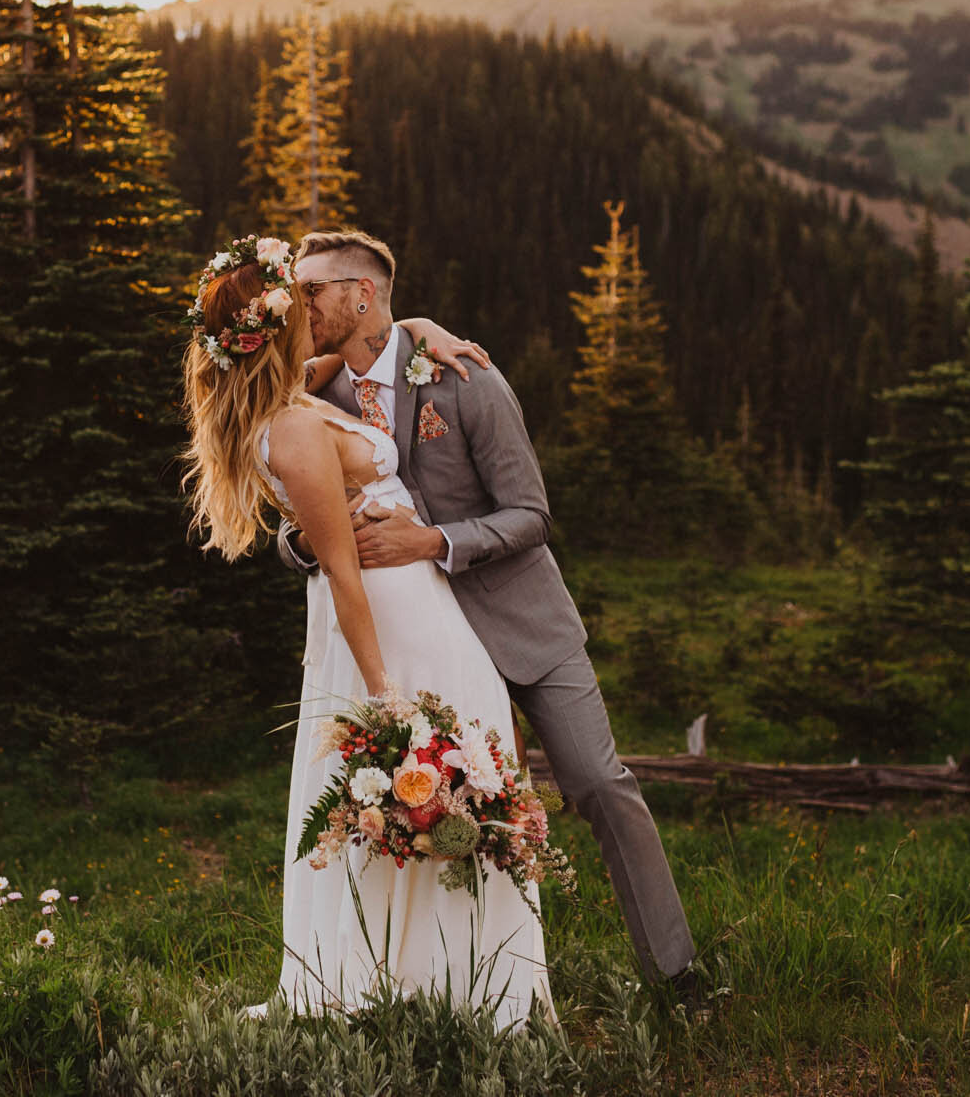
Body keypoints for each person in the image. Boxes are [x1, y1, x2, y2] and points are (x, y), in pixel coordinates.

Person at [278, 230, 699, 998]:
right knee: (444, 814)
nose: (298, 304)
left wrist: (430, 539)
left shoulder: (464, 376)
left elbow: (531, 514)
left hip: (524, 624)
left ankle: (676, 975)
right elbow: (294, 526)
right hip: (423, 646)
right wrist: (318, 545)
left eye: (312, 290)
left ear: (362, 293)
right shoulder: (318, 396)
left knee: (600, 784)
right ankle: (467, 988)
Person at [181, 235, 551, 1028]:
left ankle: (459, 973)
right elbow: (342, 574)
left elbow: (371, 326)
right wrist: (383, 692)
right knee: (432, 774)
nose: (311, 308)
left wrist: (424, 326)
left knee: (458, 774)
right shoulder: (295, 428)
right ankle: (444, 983)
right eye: (297, 298)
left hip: (418, 601)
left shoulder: (294, 387)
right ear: (276, 323)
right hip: (389, 617)